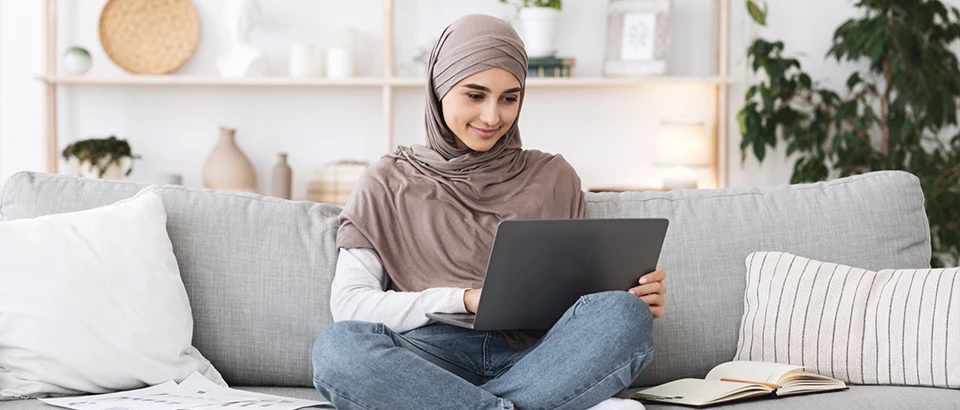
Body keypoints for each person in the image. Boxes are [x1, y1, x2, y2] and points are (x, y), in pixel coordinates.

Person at [312, 14, 667, 410]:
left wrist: (631, 294)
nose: (492, 116)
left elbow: (577, 297)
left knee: (624, 314)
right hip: (427, 364)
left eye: (509, 98)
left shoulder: (553, 176)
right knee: (338, 349)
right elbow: (350, 306)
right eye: (475, 95)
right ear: (439, 88)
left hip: (540, 359)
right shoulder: (385, 181)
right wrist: (464, 299)